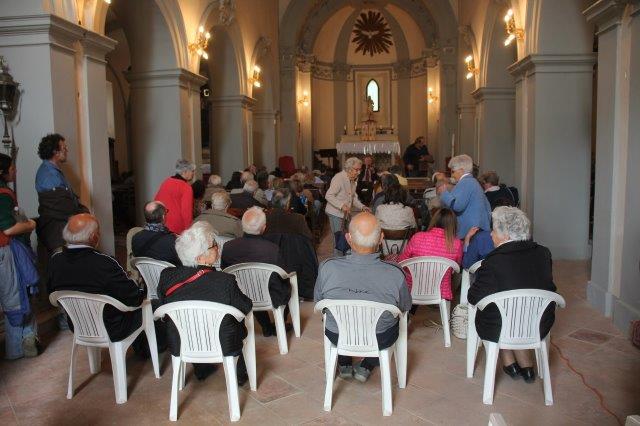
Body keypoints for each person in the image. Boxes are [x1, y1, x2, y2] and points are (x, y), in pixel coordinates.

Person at [314, 213, 411, 382]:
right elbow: (405, 307)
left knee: (333, 317)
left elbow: (319, 302)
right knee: (398, 322)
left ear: (348, 238)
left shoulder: (327, 268)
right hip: (380, 338)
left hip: (337, 334)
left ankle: (344, 362)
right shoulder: (395, 273)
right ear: (381, 238)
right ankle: (367, 364)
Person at [468, 207, 557, 384]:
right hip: (538, 323)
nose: (491, 234)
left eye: (494, 230)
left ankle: (510, 364)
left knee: (496, 313)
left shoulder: (493, 261)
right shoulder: (544, 253)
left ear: (506, 235)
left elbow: (474, 297)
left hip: (503, 327)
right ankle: (526, 367)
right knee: (513, 313)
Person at [157, 221, 252, 383]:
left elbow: (163, 302)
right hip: (222, 343)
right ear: (200, 257)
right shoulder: (224, 281)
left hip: (180, 340)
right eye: (214, 245)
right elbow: (245, 306)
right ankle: (240, 375)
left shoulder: (166, 276)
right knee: (237, 324)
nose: (217, 247)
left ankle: (202, 369)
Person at [47, 214, 148, 350]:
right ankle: (146, 351)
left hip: (77, 325)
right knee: (148, 307)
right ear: (93, 237)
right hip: (112, 328)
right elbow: (134, 298)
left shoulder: (55, 260)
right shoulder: (105, 263)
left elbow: (53, 293)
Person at [220, 207, 292, 336]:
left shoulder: (228, 247)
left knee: (251, 286)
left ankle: (266, 326)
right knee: (286, 283)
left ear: (242, 225)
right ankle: (279, 322)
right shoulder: (272, 249)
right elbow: (284, 274)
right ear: (264, 228)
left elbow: (224, 270)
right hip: (269, 295)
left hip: (240, 293)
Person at [0, 154, 40, 360]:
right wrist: (30, 224)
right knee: (16, 298)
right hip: (5, 251)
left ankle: (26, 340)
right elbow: (8, 228)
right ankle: (16, 350)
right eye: (11, 168)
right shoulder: (3, 194)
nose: (14, 171)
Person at [35, 133, 89, 253]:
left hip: (61, 229)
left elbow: (69, 199)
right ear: (55, 152)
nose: (67, 150)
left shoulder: (53, 171)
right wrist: (83, 213)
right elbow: (64, 207)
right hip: (57, 232)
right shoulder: (49, 175)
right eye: (64, 148)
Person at [397, 208, 463, 301]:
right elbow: (457, 267)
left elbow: (402, 261)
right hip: (440, 292)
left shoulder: (418, 237)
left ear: (434, 220)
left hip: (412, 288)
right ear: (453, 224)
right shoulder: (456, 244)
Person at [438, 154, 491, 239]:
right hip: (478, 229)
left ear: (461, 170)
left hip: (470, 231)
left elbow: (457, 206)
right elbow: (487, 207)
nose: (452, 175)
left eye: (453, 171)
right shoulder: (473, 182)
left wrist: (444, 193)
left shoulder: (466, 182)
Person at [325, 157, 368, 256]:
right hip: (335, 213)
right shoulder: (339, 178)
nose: (359, 172)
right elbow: (328, 195)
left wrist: (362, 207)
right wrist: (341, 205)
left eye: (360, 170)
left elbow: (353, 198)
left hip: (345, 214)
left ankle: (344, 260)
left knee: (346, 238)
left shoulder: (352, 179)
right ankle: (337, 261)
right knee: (338, 240)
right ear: (349, 168)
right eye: (356, 170)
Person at [132, 201, 181, 266]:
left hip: (145, 272)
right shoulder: (171, 241)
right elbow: (180, 262)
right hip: (168, 272)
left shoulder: (135, 238)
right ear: (163, 217)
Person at [154, 159, 195, 235]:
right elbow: (186, 212)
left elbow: (156, 202)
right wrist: (189, 231)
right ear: (185, 172)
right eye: (192, 171)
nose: (193, 173)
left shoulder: (166, 181)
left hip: (162, 224)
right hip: (177, 227)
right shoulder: (186, 187)